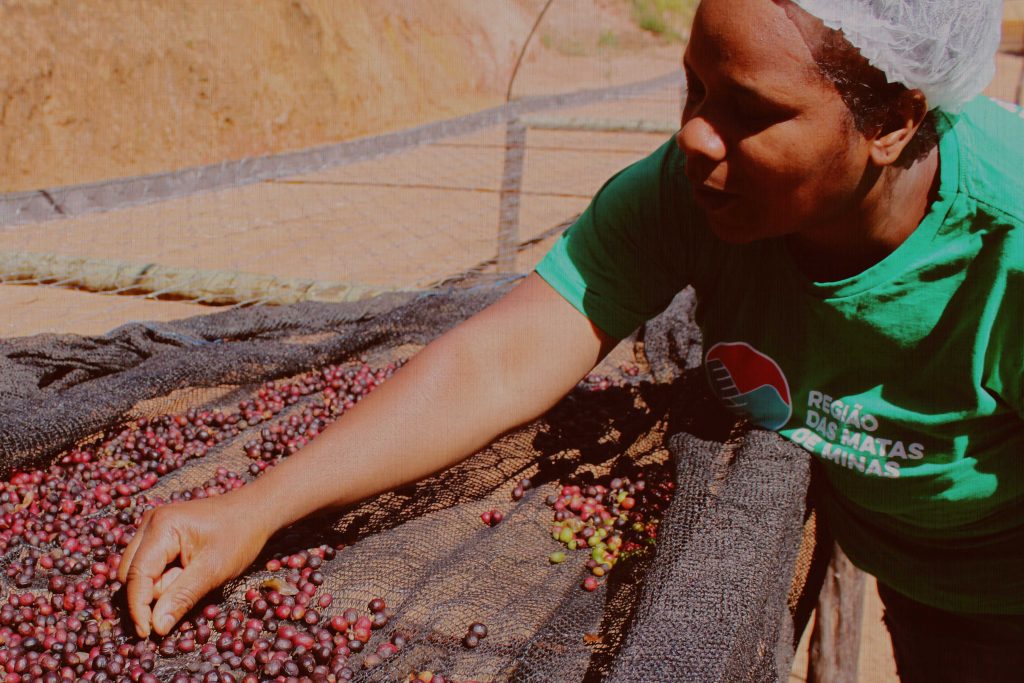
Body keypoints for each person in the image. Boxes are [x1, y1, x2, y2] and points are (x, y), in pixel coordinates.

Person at [120, 0, 1021, 680]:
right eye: (694, 86)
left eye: (750, 110)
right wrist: (259, 506)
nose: (696, 134)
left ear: (892, 120)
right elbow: (502, 356)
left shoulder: (1006, 249)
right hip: (916, 575)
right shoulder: (692, 192)